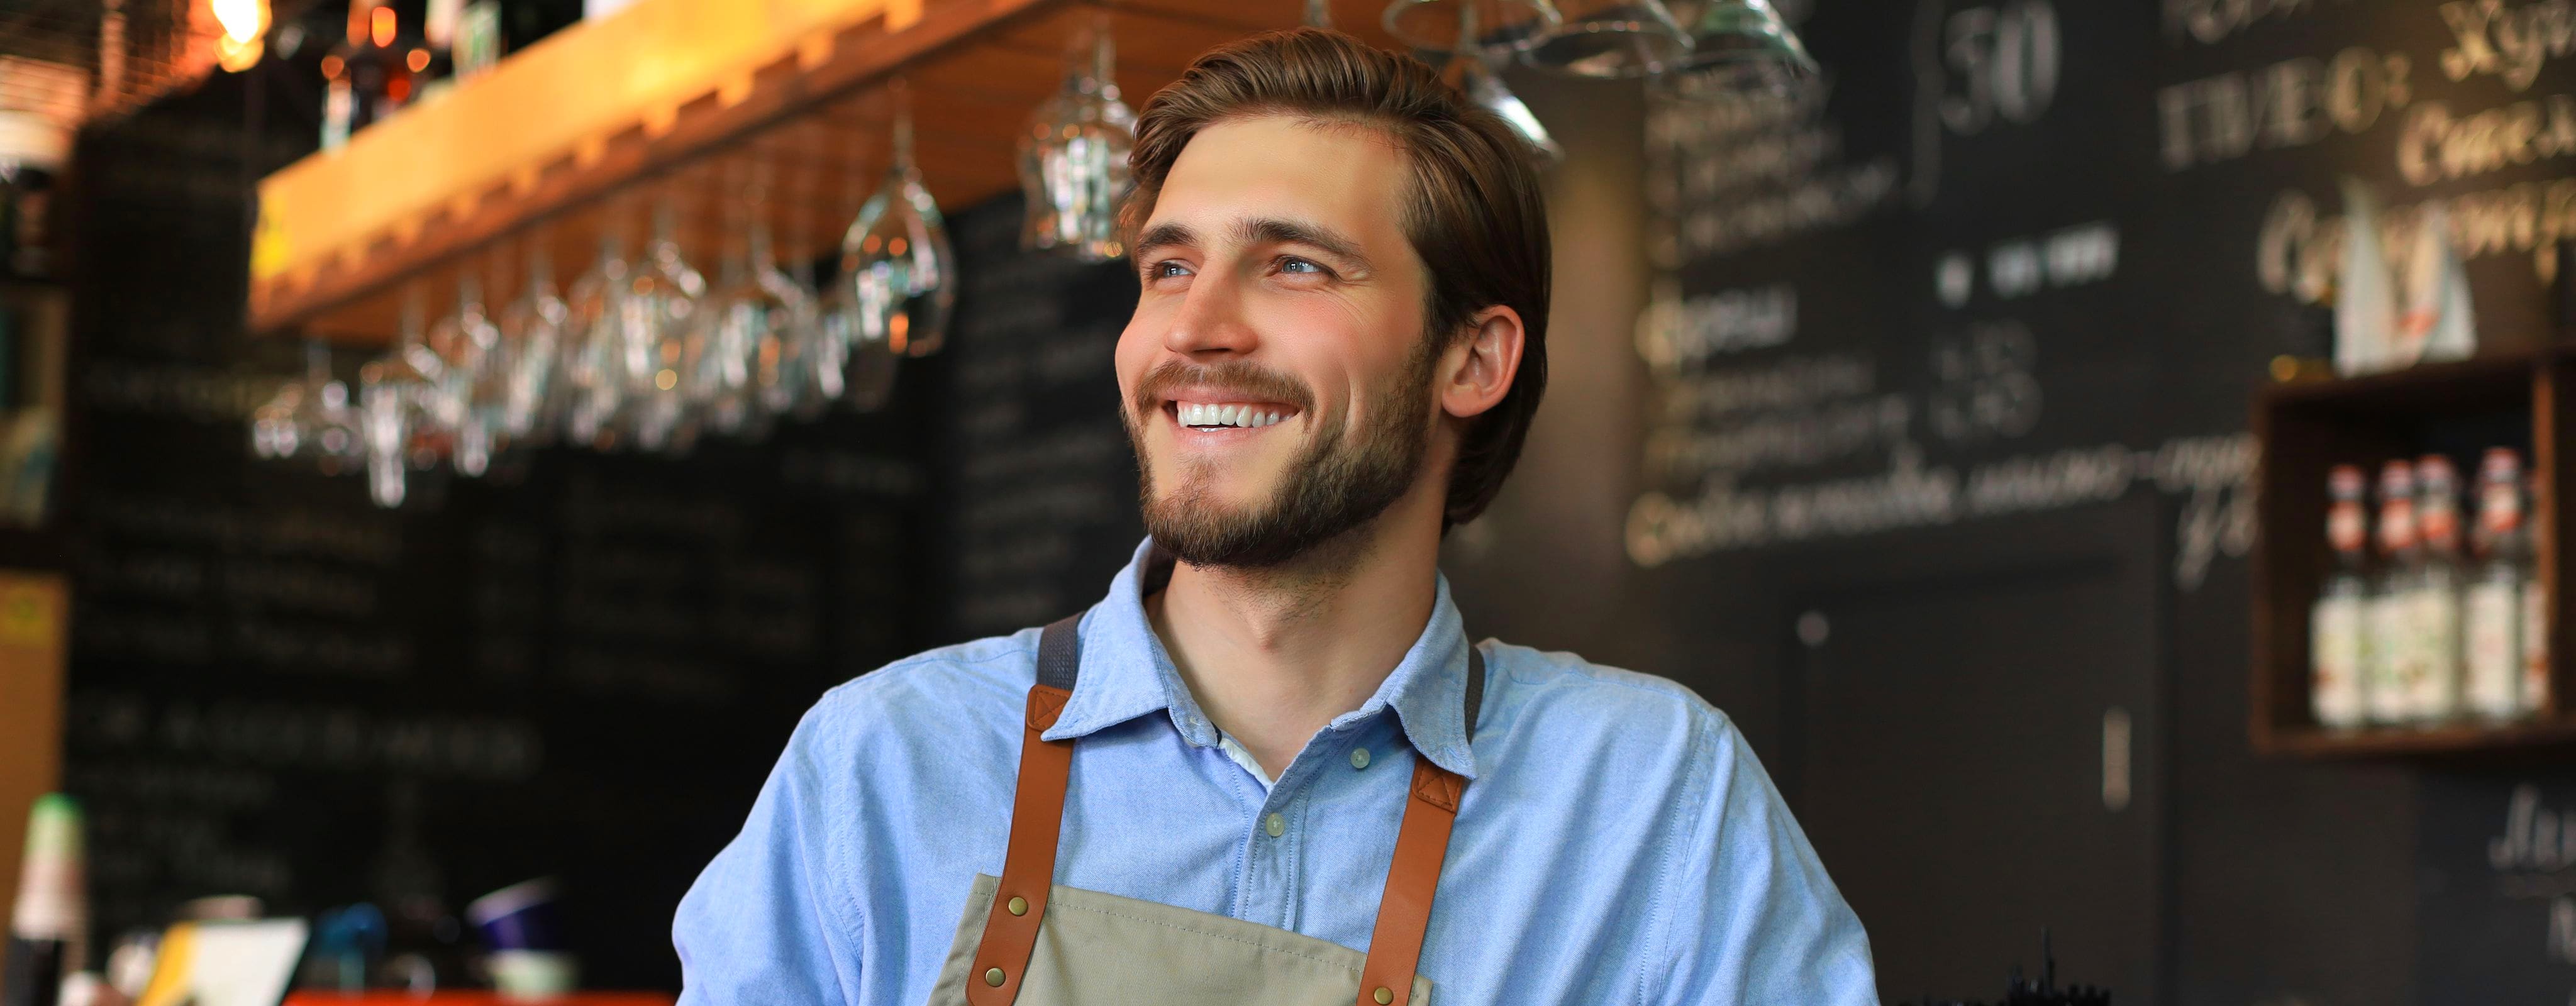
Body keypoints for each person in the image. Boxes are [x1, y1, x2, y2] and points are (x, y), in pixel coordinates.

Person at [674, 27, 1876, 1006]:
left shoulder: (1652, 805)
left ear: (1473, 359)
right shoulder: (885, 767)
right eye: (1169, 268)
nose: (1196, 328)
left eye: (1295, 265)